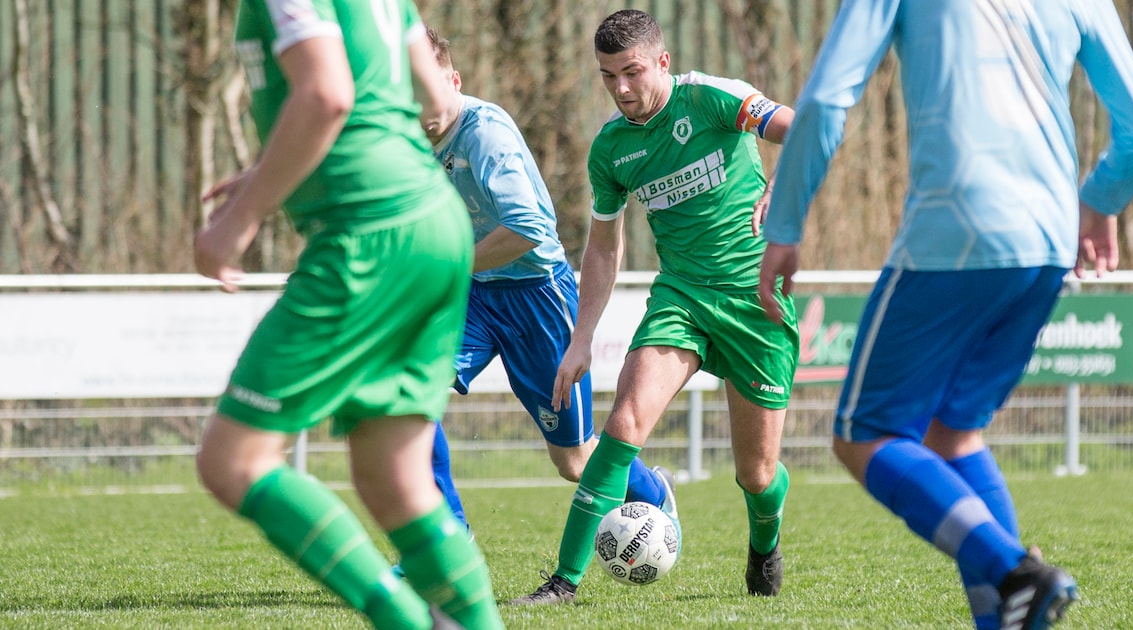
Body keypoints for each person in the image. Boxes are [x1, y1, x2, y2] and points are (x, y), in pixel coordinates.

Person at [758, 2, 1133, 629]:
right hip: (1049, 241)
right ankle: (1009, 615)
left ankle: (1016, 571)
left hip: (954, 234)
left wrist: (785, 222)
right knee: (952, 435)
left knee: (863, 435)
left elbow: (823, 104)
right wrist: (1103, 197)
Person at [193, 2, 505, 628]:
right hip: (433, 225)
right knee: (396, 480)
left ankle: (403, 621)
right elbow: (425, 90)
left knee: (235, 459)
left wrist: (240, 219)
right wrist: (278, 167)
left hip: (369, 234)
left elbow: (329, 94)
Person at [512, 9, 800, 605]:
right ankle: (564, 581)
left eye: (631, 72)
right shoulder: (611, 149)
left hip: (754, 300)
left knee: (758, 475)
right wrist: (580, 337)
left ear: (662, 62)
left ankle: (764, 542)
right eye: (607, 76)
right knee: (622, 425)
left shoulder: (715, 99)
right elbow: (601, 247)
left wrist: (783, 186)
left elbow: (803, 129)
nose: (620, 88)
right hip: (682, 296)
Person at [413, 28, 674, 537]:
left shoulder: (484, 133)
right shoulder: (401, 140)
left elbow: (530, 230)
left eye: (427, 89)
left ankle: (653, 494)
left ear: (454, 80)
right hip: (470, 295)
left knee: (574, 462)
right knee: (405, 393)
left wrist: (448, 262)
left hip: (535, 294)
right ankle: (446, 542)